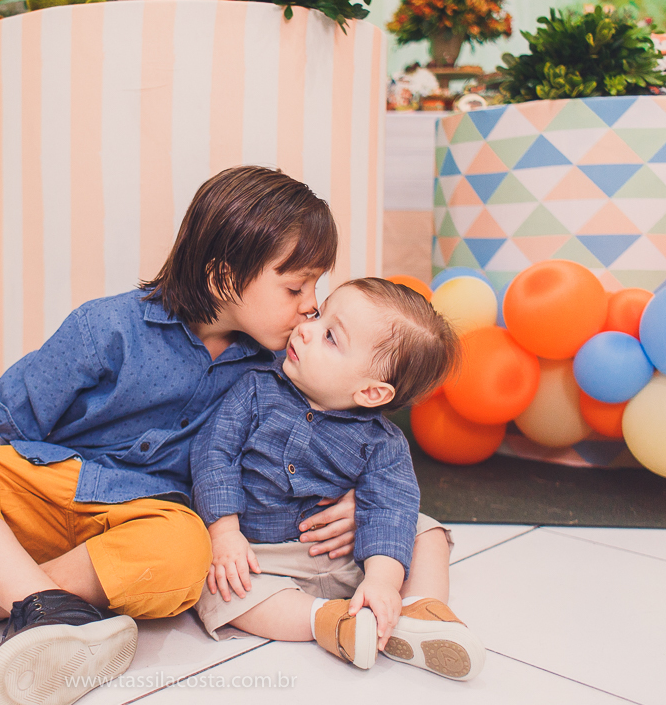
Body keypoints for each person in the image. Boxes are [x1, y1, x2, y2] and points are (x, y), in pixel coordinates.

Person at [0, 166, 352, 705]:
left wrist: (355, 496)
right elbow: (3, 423)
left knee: (186, 552)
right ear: (224, 277)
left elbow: (347, 424)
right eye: (296, 286)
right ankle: (44, 601)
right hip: (43, 489)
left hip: (140, 515)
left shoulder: (279, 366)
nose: (312, 303)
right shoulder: (105, 328)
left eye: (314, 285)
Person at [190, 278, 486, 681]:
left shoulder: (383, 443)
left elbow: (389, 506)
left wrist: (383, 579)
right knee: (218, 587)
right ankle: (328, 621)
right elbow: (214, 455)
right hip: (261, 557)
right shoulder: (255, 388)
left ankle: (418, 611)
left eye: (330, 336)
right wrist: (225, 533)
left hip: (347, 557)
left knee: (423, 531)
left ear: (370, 392)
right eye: (319, 313)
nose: (306, 328)